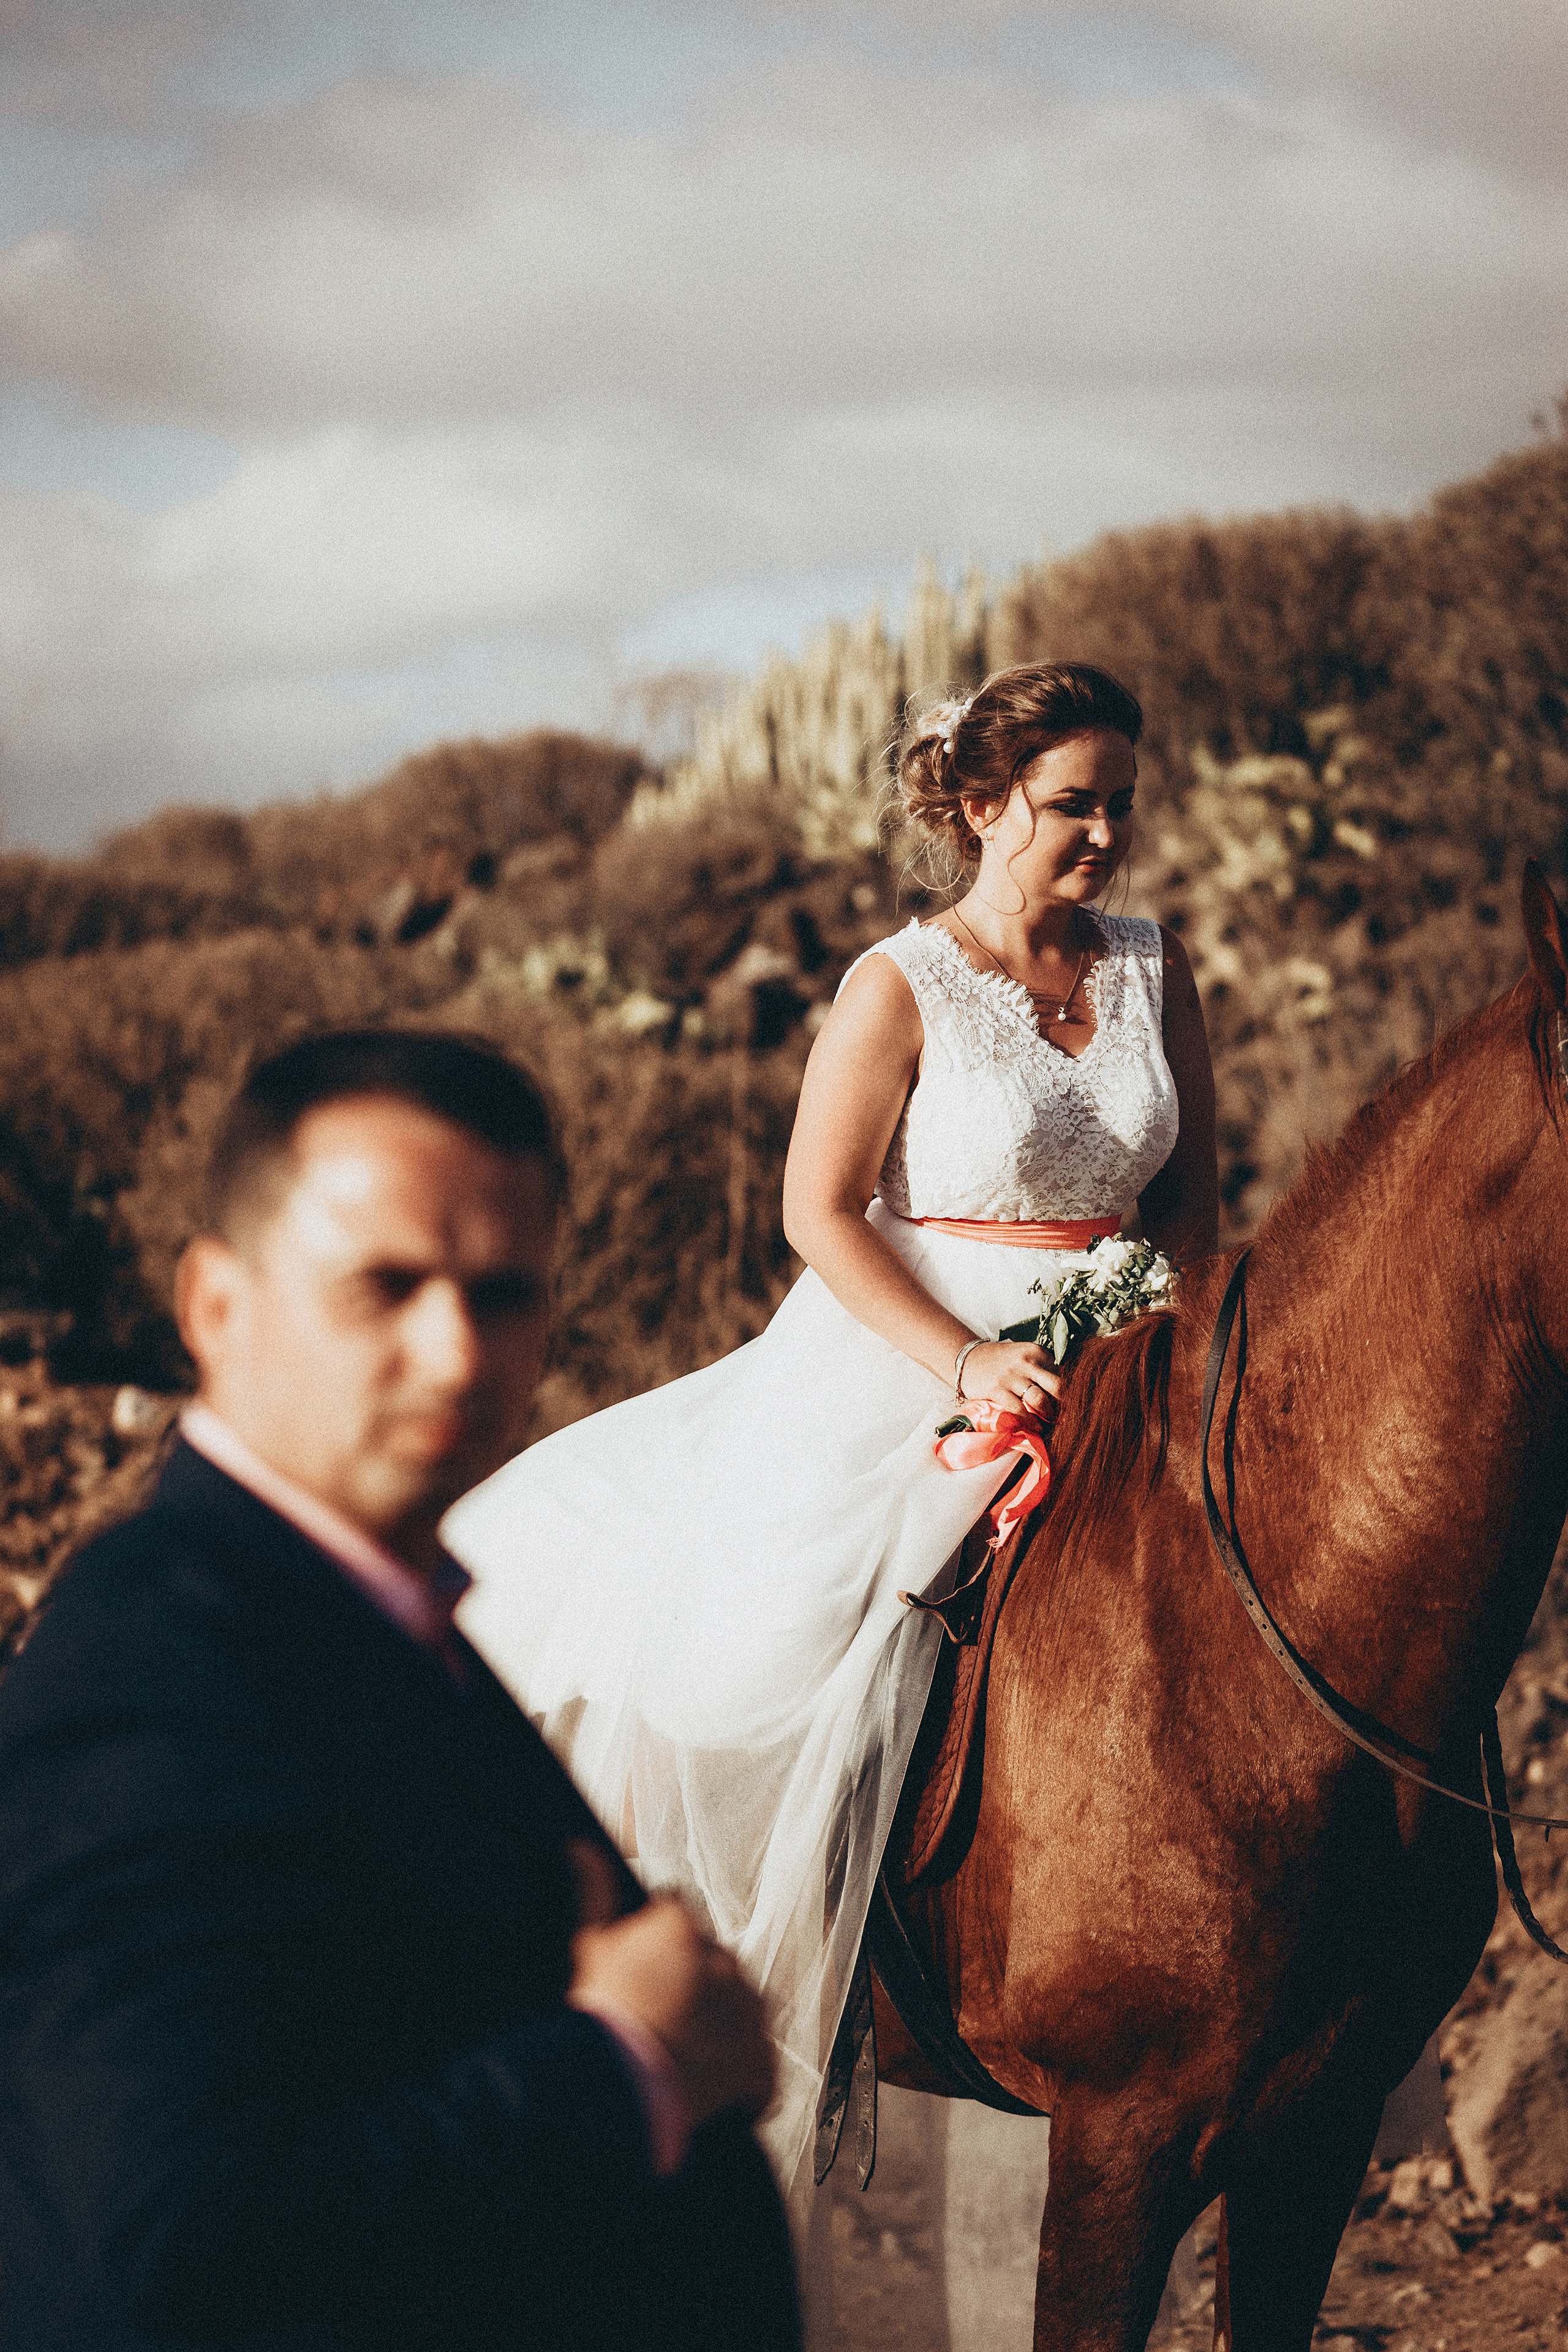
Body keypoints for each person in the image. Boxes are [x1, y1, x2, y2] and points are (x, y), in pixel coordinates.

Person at [448, 662, 1220, 2201]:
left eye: (1121, 803)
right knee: (778, 1659)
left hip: (1130, 1336)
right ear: (984, 803)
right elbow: (820, 1209)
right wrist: (964, 1362)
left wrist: (1164, 1313)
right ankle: (824, 2005)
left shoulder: (1153, 966)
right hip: (919, 1349)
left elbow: (1189, 1180)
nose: (1105, 834)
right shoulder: (898, 983)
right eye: (1074, 804)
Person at [0, 1030, 799, 2352]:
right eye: (385, 1286)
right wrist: (628, 2065)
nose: (454, 1354)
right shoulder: (147, 1674)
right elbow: (178, 2254)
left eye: (503, 1293)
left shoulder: (362, 1613)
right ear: (214, 1308)